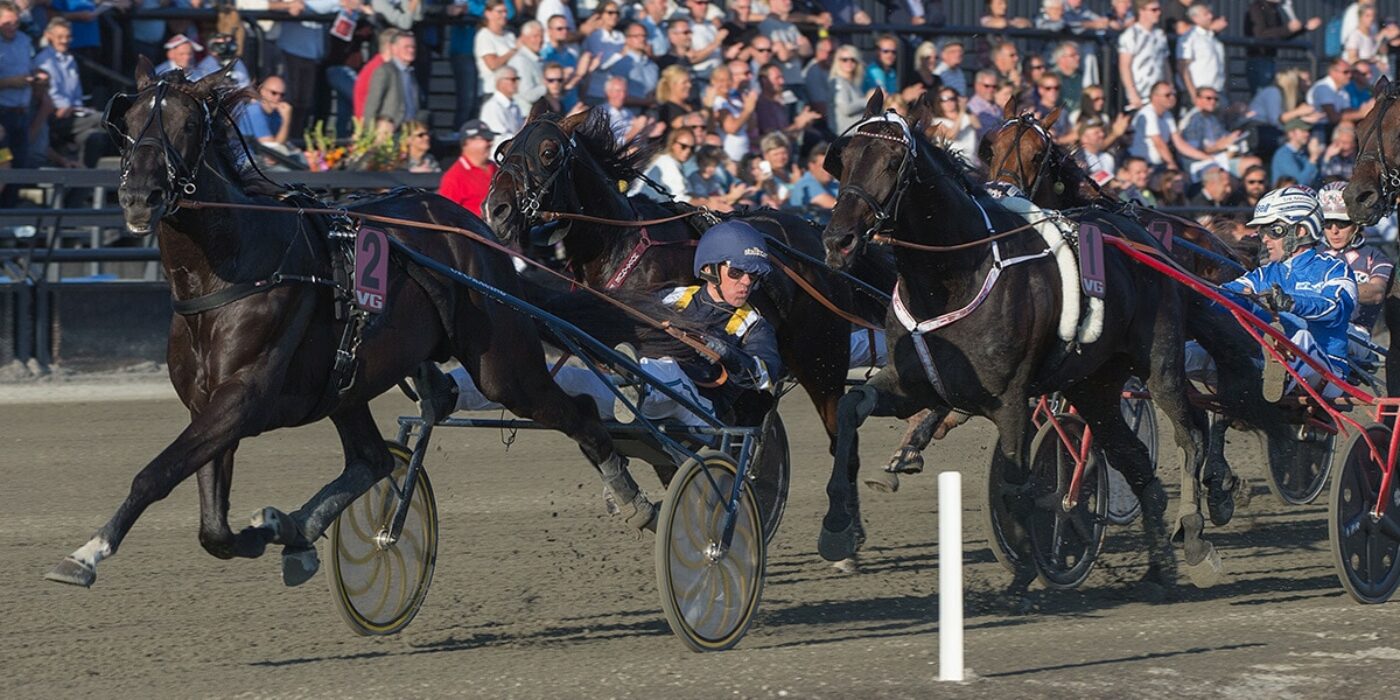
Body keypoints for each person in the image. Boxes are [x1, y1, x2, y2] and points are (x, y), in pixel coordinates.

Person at [442, 220, 783, 431]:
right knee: (557, 378)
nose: (745, 283)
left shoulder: (753, 326)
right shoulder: (673, 298)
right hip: (640, 387)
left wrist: (724, 352)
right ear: (710, 269)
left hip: (701, 409)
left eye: (753, 277)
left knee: (671, 377)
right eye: (736, 272)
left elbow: (767, 375)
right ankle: (451, 391)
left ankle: (638, 383)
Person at [1222, 186, 1357, 399]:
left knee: (1301, 337)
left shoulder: (1334, 268)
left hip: (1330, 370)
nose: (1264, 239)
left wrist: (1290, 303)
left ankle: (1279, 372)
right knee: (1195, 348)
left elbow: (1336, 309)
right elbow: (1227, 294)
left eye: (1271, 230)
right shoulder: (1263, 274)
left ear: (1301, 230)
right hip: (1266, 361)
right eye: (1262, 231)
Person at [1317, 181, 1391, 344]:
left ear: (1357, 222)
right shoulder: (1311, 254)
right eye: (1328, 224)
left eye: (1342, 223)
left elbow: (1377, 292)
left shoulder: (1376, 257)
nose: (1334, 230)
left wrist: (1328, 290)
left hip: (1356, 335)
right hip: (1314, 329)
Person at [34, 17, 102, 168]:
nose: (65, 40)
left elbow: (76, 95)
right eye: (60, 37)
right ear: (49, 36)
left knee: (95, 138)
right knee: (104, 119)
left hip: (73, 114)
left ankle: (83, 185)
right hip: (54, 115)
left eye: (68, 36)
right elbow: (52, 98)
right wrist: (70, 108)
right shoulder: (43, 60)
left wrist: (80, 109)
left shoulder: (70, 60)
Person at [1244, 0, 1322, 92]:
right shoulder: (1256, 8)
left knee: (1269, 94)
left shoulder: (1273, 9)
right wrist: (1288, 28)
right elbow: (1260, 35)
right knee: (1263, 94)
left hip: (1269, 59)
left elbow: (1281, 35)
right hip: (1259, 59)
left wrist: (1304, 27)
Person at [363, 30, 420, 133]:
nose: (411, 50)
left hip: (410, 130)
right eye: (406, 47)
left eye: (413, 47)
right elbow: (372, 105)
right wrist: (370, 133)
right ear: (394, 48)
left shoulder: (411, 73)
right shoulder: (384, 71)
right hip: (390, 130)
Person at [1118, 0, 1169, 111]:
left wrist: (1170, 87)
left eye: (1159, 9)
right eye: (1154, 10)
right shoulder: (1131, 34)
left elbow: (1165, 64)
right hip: (1141, 94)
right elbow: (1124, 66)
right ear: (1141, 11)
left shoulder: (1160, 35)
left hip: (1159, 94)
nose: (1158, 13)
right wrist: (1132, 94)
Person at [438, 120, 497, 216]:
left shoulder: (496, 168)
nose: (491, 143)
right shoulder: (454, 178)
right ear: (468, 142)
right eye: (486, 139)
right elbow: (446, 216)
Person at [1177, 3, 1225, 103]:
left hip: (1216, 92)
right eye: (1206, 14)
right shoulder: (1190, 38)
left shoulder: (1214, 40)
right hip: (1198, 93)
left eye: (1210, 13)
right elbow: (1183, 67)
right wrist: (1193, 94)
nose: (1210, 16)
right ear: (1195, 18)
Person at [474, 0, 517, 98]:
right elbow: (492, 64)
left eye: (505, 11)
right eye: (499, 12)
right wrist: (513, 51)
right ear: (488, 14)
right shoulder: (484, 35)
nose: (504, 15)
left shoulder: (510, 35)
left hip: (511, 92)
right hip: (491, 91)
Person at [931, 85, 981, 165]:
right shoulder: (936, 122)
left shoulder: (967, 116)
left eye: (952, 99)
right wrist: (961, 112)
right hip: (954, 166)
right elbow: (951, 136)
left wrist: (966, 109)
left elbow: (979, 127)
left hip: (973, 164)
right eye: (944, 99)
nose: (948, 102)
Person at [479, 66, 524, 152]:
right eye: (513, 79)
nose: (517, 83)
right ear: (500, 82)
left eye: (517, 79)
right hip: (498, 159)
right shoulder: (493, 106)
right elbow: (500, 138)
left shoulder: (515, 106)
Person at [786, 142, 838, 212]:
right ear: (811, 166)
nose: (828, 169)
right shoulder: (805, 184)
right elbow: (837, 207)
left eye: (831, 165)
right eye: (823, 166)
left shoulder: (834, 184)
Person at [1271, 118, 1321, 188]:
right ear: (1291, 133)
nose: (1307, 134)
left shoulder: (1302, 153)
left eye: (1308, 131)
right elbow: (1299, 184)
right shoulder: (1283, 155)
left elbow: (1317, 179)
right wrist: (1313, 157)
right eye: (1303, 131)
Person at [510, 20, 547, 109]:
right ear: (523, 38)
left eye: (541, 36)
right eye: (535, 36)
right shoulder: (521, 60)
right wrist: (548, 86)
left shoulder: (537, 59)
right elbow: (528, 94)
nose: (540, 40)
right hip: (525, 115)